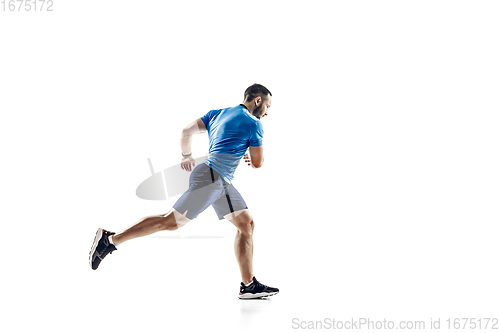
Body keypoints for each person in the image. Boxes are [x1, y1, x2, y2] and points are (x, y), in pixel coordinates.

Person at [89, 83, 279, 299]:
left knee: (246, 223)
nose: (266, 112)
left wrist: (186, 155)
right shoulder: (254, 123)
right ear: (257, 100)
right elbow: (257, 163)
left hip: (221, 181)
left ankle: (248, 285)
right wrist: (251, 158)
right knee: (170, 221)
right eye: (267, 106)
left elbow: (185, 131)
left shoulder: (217, 114)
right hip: (212, 179)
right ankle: (110, 240)